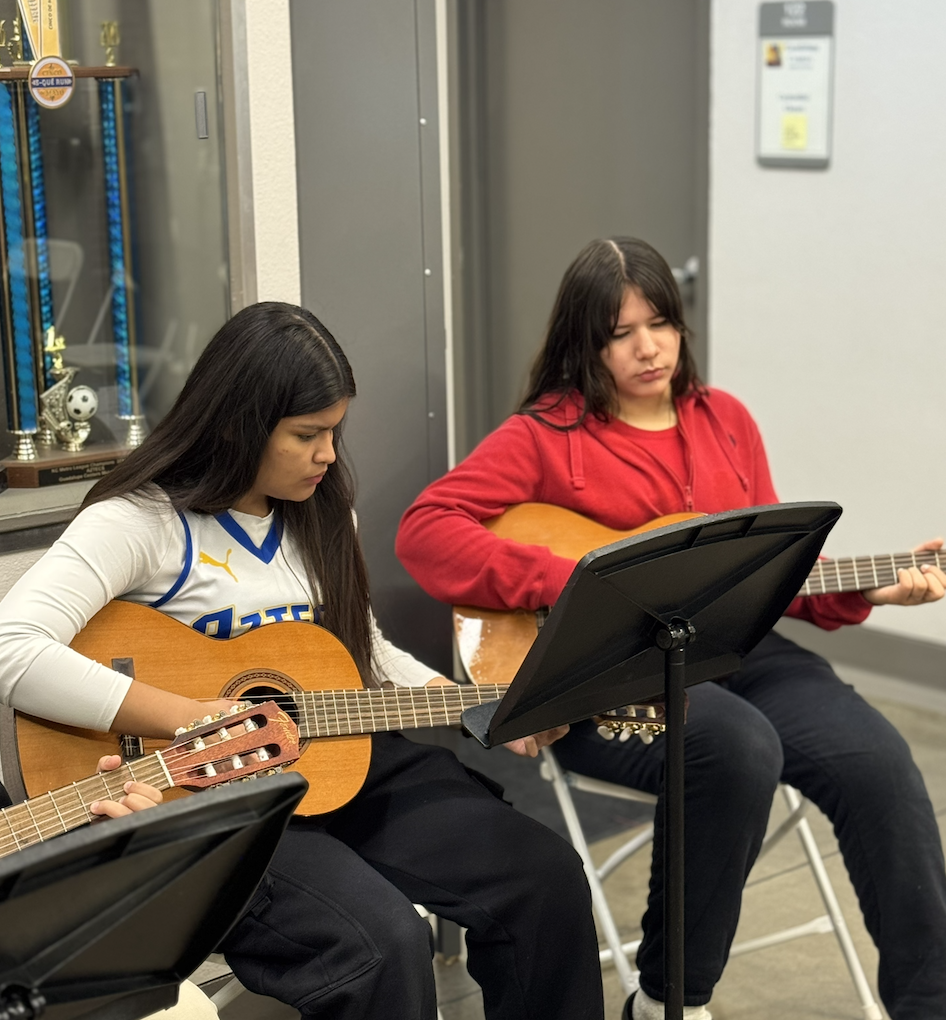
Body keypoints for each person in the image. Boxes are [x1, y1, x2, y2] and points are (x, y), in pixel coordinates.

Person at [0, 301, 603, 1020]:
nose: (328, 455)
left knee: (545, 877)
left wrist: (471, 702)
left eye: (334, 432)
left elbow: (365, 652)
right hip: (210, 802)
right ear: (237, 424)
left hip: (339, 761)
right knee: (382, 942)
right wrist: (196, 719)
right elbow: (12, 647)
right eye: (307, 435)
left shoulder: (322, 513)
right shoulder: (139, 521)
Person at [396, 237, 946, 1020]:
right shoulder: (546, 435)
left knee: (878, 761)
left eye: (660, 324)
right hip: (606, 671)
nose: (648, 348)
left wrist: (872, 590)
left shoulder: (726, 421)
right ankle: (664, 1003)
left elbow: (767, 573)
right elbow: (425, 530)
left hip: (737, 651)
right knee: (737, 746)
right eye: (621, 333)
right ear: (585, 343)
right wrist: (578, 585)